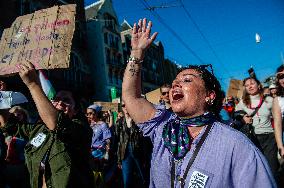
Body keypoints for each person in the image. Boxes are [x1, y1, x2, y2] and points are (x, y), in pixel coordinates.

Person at [122, 18, 276, 187]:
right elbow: (132, 98)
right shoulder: (161, 126)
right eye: (174, 83)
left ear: (209, 96)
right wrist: (136, 53)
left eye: (187, 80)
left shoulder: (236, 145)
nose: (176, 85)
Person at [0, 63, 94, 188]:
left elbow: (56, 124)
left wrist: (33, 85)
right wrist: (2, 96)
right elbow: (10, 126)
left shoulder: (80, 128)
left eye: (66, 100)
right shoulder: (40, 129)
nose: (60, 103)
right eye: (56, 99)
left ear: (75, 110)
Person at [235, 77, 279, 177]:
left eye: (252, 83)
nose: (250, 86)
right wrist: (243, 119)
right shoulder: (242, 103)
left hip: (269, 138)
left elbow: (277, 119)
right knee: (257, 169)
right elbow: (236, 118)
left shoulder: (269, 100)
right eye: (247, 85)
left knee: (273, 168)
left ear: (259, 85)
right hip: (252, 138)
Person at [116, 102, 147, 188]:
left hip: (138, 152)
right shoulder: (119, 122)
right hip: (125, 153)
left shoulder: (138, 120)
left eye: (127, 104)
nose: (125, 107)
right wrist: (119, 159)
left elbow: (145, 140)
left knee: (143, 178)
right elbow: (118, 142)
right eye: (123, 105)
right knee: (127, 181)